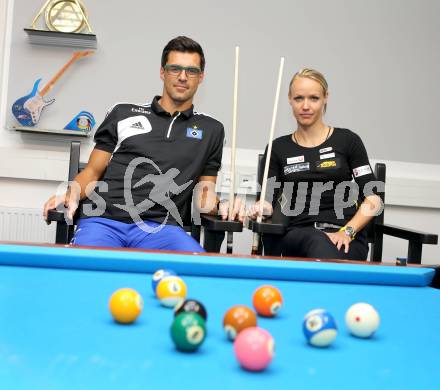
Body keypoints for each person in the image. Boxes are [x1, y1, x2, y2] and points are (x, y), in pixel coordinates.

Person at [43, 36, 236, 252]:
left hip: (162, 229)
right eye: (175, 69)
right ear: (162, 72)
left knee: (201, 273)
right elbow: (92, 172)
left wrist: (223, 205)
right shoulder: (123, 113)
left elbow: (205, 196)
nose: (183, 77)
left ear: (201, 77)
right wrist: (73, 193)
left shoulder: (212, 129)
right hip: (104, 220)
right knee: (85, 272)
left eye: (191, 71)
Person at [249, 68, 382, 260]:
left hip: (346, 237)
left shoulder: (348, 141)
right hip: (298, 234)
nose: (305, 106)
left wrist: (347, 232)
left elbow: (374, 200)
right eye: (298, 98)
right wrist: (260, 207)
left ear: (325, 98)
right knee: (317, 241)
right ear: (289, 99)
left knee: (324, 245)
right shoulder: (278, 147)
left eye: (313, 98)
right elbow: (268, 201)